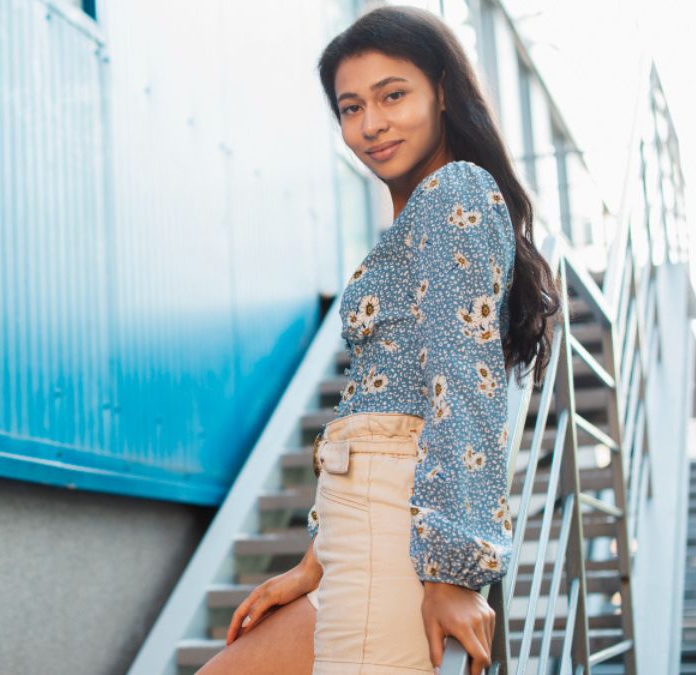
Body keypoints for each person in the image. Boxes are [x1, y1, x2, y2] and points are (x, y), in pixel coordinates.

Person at [196, 5, 561, 674]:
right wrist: (315, 562)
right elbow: (384, 393)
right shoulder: (420, 214)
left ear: (444, 91)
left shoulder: (455, 191)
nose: (371, 124)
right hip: (359, 530)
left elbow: (462, 385)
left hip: (397, 529)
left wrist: (454, 572)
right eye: (350, 106)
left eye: (393, 95)